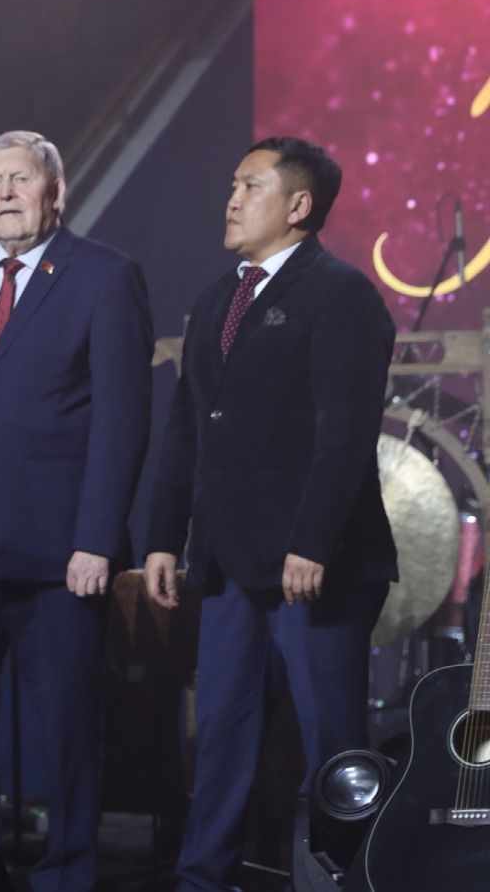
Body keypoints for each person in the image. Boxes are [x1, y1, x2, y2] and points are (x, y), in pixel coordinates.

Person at [143, 137, 396, 892]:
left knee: (333, 746)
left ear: (298, 205)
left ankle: (347, 879)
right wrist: (163, 538)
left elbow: (344, 432)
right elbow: (186, 429)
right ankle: (203, 879)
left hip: (314, 566)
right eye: (232, 184)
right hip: (228, 564)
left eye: (250, 185)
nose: (231, 198)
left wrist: (312, 541)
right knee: (220, 732)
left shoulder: (341, 294)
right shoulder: (217, 299)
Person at [0, 130, 153, 892]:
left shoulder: (105, 276)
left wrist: (96, 539)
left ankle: (67, 876)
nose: (6, 193)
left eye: (21, 178)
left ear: (56, 191)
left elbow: (121, 421)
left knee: (66, 730)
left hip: (58, 554)